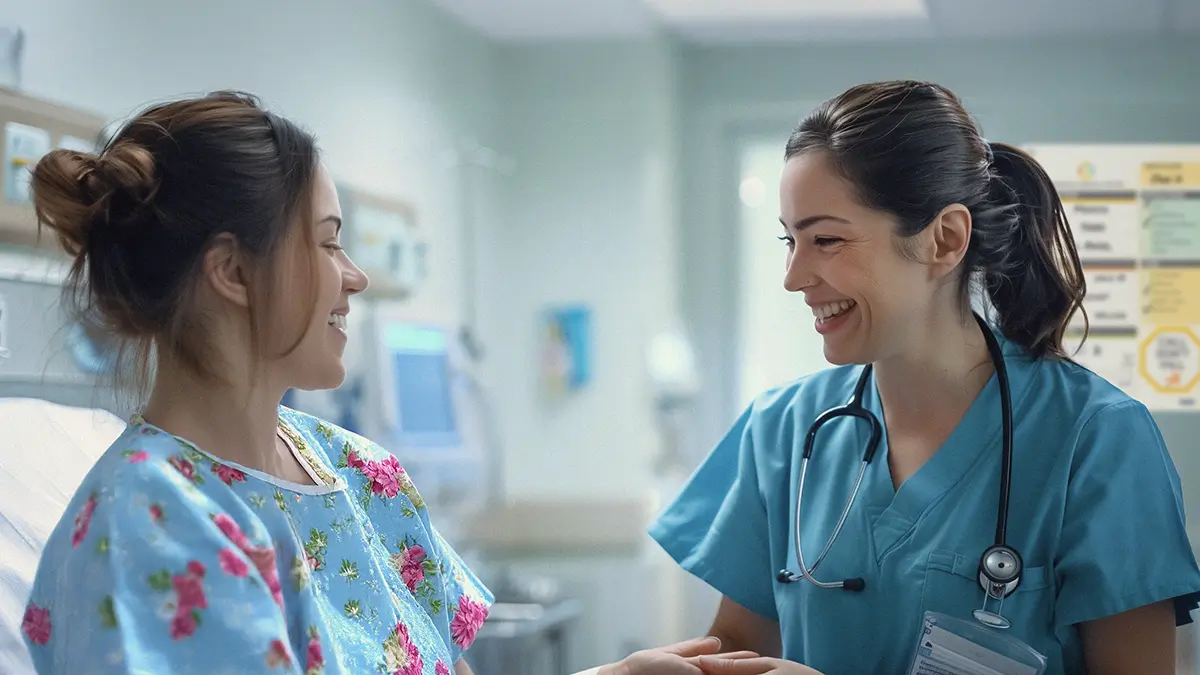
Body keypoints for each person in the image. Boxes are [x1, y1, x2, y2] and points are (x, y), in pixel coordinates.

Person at [648, 80, 1200, 675]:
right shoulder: (780, 430)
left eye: (826, 239)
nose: (793, 276)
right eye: (791, 241)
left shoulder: (1096, 438)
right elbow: (737, 648)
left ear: (945, 239)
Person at [19, 91, 493, 674]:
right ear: (233, 272)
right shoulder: (145, 530)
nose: (357, 277)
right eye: (327, 242)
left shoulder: (359, 473)